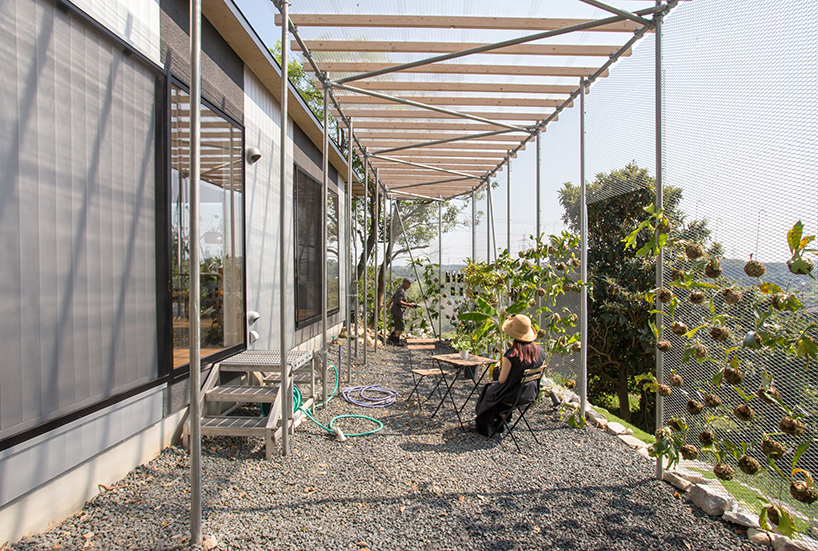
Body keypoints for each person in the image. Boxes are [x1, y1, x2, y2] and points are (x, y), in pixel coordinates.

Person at [472, 314, 545, 436]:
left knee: (488, 390)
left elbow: (502, 380)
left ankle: (483, 425)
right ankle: (500, 422)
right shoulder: (540, 352)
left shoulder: (512, 354)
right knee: (493, 392)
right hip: (529, 393)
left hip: (512, 395)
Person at [386, 278, 416, 345]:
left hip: (398, 311)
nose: (409, 286)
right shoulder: (401, 291)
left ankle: (391, 337)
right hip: (398, 311)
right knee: (400, 326)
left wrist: (389, 303)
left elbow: (393, 297)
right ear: (404, 283)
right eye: (408, 284)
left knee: (398, 325)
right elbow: (399, 301)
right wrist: (408, 304)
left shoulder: (401, 290)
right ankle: (396, 341)